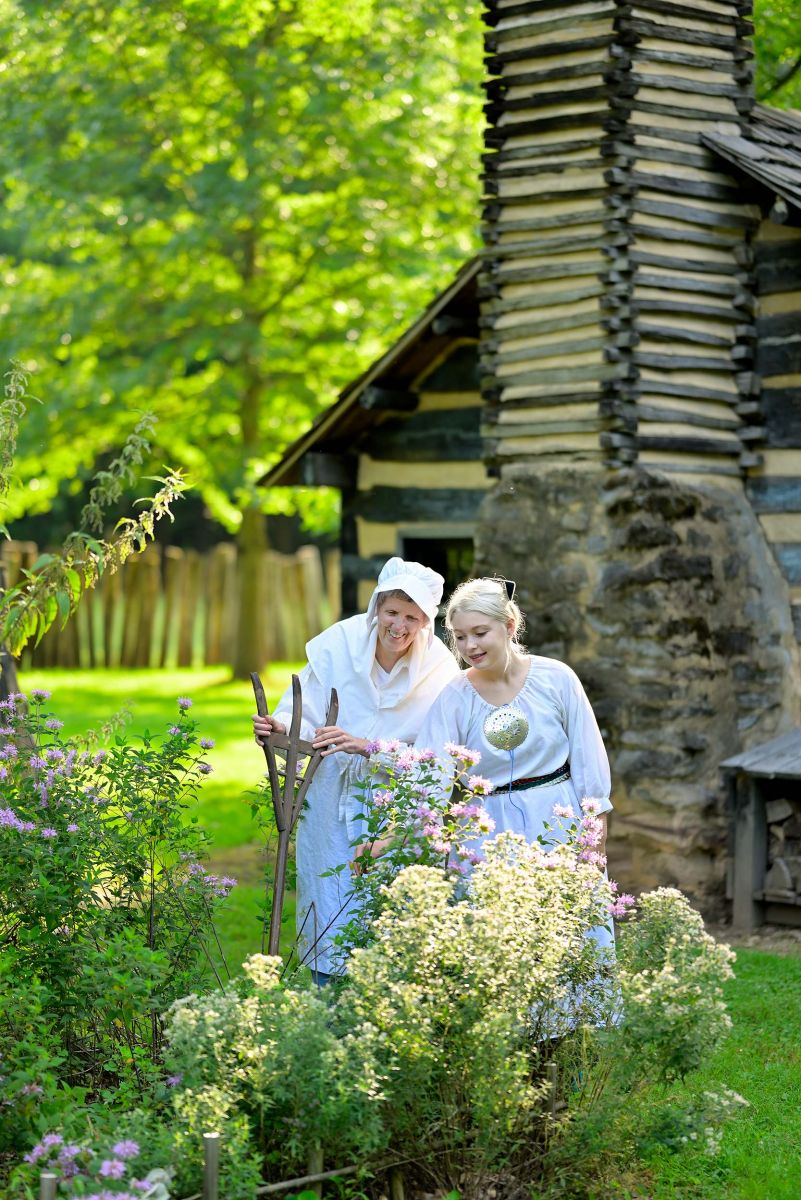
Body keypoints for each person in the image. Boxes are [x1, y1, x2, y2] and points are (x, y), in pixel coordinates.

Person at [252, 556, 460, 981]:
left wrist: (370, 748)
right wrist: (277, 728)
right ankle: (328, 1009)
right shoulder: (338, 645)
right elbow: (302, 714)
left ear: (425, 622)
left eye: (411, 617)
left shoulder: (440, 670)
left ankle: (384, 1010)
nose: (398, 626)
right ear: (375, 609)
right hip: (327, 796)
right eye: (391, 612)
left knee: (391, 911)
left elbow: (441, 759)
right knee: (327, 902)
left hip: (396, 806)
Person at [415, 575, 613, 914]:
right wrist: (393, 835)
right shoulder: (454, 697)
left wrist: (594, 838)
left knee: (564, 927)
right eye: (460, 637)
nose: (470, 647)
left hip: (557, 820)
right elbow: (428, 775)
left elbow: (588, 759)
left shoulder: (557, 679)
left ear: (509, 625)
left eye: (480, 633)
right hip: (485, 830)